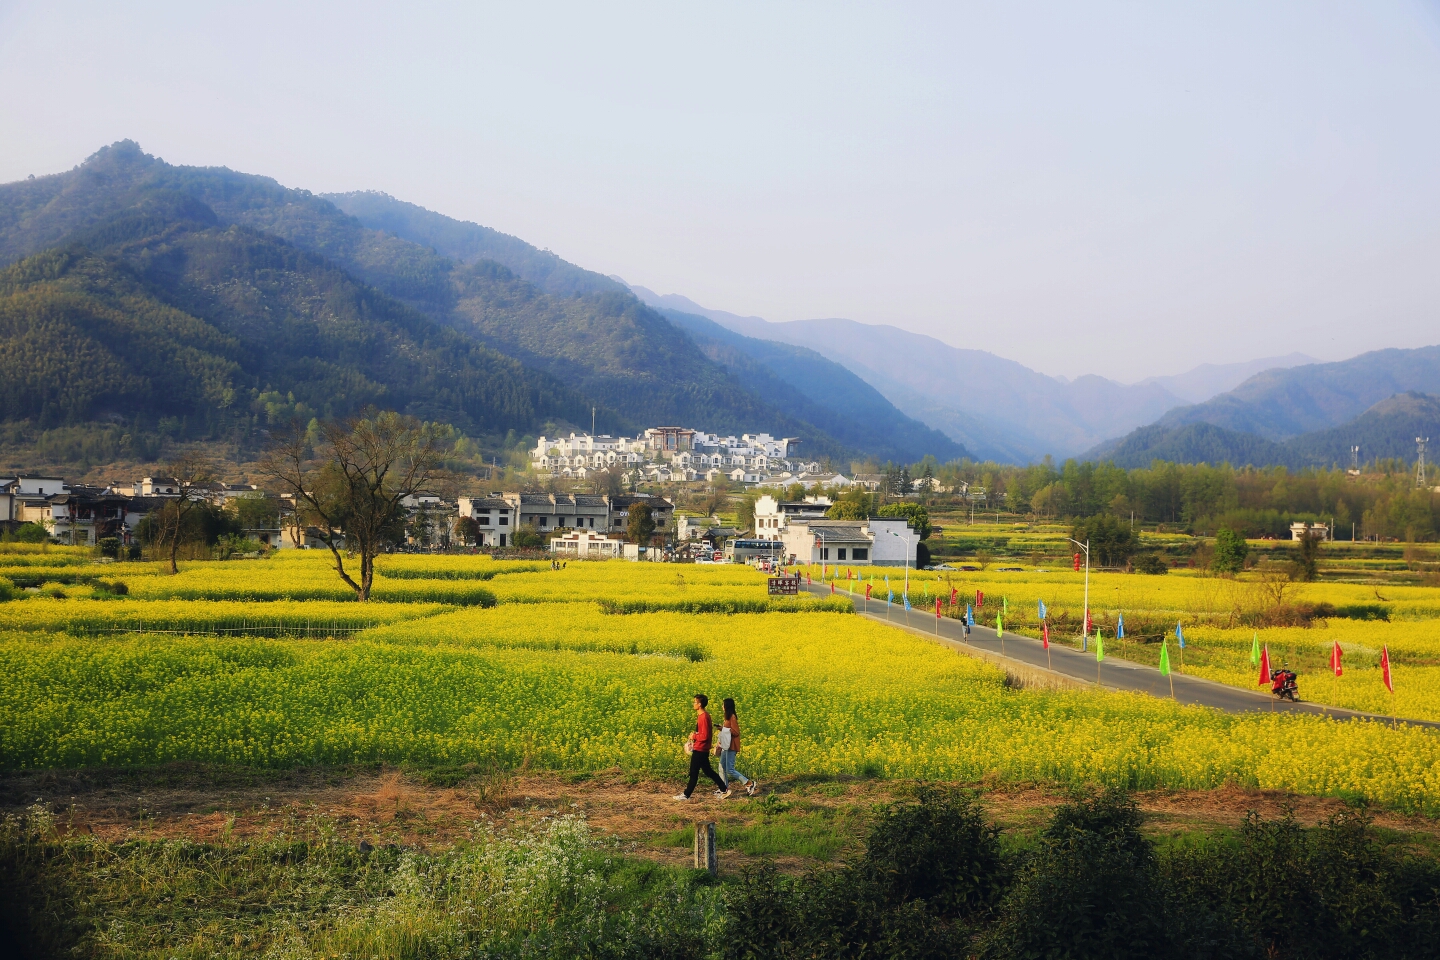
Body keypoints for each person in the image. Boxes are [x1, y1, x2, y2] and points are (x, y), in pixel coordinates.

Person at [673, 694, 728, 800]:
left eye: (695, 702)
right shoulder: (702, 716)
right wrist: (695, 737)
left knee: (693, 772)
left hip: (701, 749)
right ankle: (724, 789)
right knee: (708, 771)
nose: (693, 704)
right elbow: (702, 733)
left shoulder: (704, 717)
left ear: (699, 704)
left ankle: (686, 795)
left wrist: (694, 736)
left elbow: (705, 736)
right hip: (701, 748)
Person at [716, 697, 757, 797]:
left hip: (731, 747)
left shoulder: (732, 717)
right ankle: (723, 789)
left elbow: (736, 732)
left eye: (723, 704)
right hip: (726, 746)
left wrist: (723, 729)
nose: (722, 706)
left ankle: (749, 783)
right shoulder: (727, 717)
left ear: (727, 706)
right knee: (721, 767)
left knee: (730, 769)